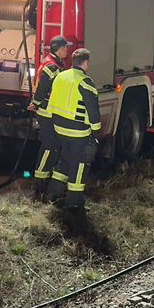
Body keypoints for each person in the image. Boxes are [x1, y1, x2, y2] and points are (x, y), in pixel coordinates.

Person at [46, 48, 101, 210]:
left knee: (64, 161)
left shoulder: (60, 76)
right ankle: (74, 203)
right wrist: (96, 133)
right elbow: (93, 111)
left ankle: (52, 195)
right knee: (80, 165)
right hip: (77, 132)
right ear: (86, 63)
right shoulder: (85, 82)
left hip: (59, 128)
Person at [27, 35, 68, 199]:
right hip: (47, 111)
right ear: (60, 48)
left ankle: (44, 181)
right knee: (50, 146)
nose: (67, 50)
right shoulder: (51, 67)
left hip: (50, 110)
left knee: (53, 146)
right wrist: (35, 104)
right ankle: (40, 183)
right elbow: (42, 88)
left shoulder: (54, 63)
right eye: (65, 47)